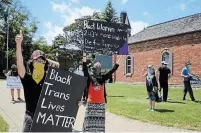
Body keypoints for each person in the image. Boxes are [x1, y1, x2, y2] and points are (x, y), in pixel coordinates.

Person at [15, 31, 49, 132]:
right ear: (32, 62)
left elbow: (64, 94)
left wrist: (74, 102)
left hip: (45, 117)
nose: (40, 63)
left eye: (42, 61)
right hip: (30, 117)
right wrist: (18, 44)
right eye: (37, 60)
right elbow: (20, 63)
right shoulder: (27, 79)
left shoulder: (49, 79)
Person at [82, 53, 119, 132]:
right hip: (91, 103)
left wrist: (116, 66)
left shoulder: (102, 78)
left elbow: (110, 72)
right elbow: (85, 69)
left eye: (98, 67)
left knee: (99, 126)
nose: (97, 68)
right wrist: (84, 57)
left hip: (100, 104)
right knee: (89, 124)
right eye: (96, 67)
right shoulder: (90, 78)